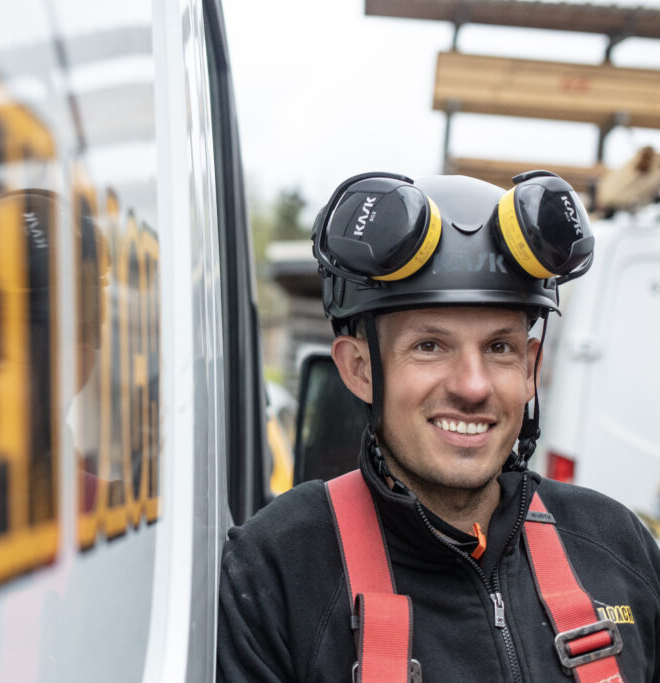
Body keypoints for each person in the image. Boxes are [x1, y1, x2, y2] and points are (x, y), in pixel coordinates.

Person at [217, 171, 660, 682]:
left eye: (500, 348)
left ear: (532, 368)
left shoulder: (616, 546)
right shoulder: (279, 571)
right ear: (360, 369)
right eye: (430, 346)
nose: (473, 387)